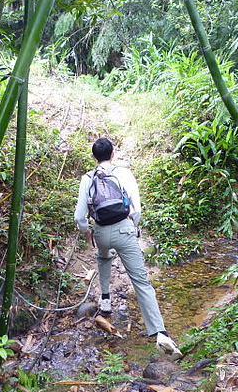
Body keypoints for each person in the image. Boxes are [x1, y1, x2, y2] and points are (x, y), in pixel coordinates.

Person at [74, 137, 182, 358]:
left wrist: (88, 233)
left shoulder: (87, 178)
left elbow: (79, 217)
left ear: (94, 157)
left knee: (103, 257)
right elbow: (137, 208)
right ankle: (160, 333)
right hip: (124, 230)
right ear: (112, 154)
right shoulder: (123, 173)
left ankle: (105, 300)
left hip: (101, 232)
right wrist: (132, 227)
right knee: (141, 281)